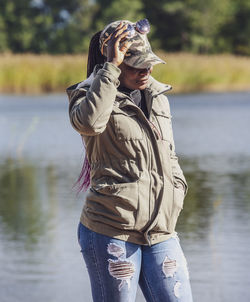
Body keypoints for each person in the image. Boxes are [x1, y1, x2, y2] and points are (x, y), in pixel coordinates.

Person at [67, 19, 193, 302]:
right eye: (135, 64)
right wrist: (110, 68)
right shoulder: (87, 96)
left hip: (162, 230)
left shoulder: (158, 97)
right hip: (112, 231)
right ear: (115, 59)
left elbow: (169, 154)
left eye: (148, 63)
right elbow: (89, 124)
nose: (146, 70)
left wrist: (178, 191)